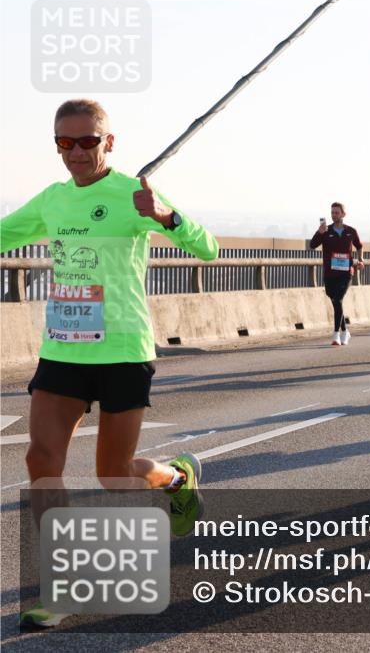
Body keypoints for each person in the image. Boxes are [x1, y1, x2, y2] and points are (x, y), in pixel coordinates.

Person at [1, 99, 219, 628]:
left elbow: (208, 249)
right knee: (39, 460)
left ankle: (174, 479)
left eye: (87, 142)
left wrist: (165, 216)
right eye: (64, 143)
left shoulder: (132, 195)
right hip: (63, 350)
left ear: (109, 142)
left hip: (122, 350)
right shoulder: (52, 200)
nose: (75, 152)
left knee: (113, 474)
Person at [310, 202, 364, 346]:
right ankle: (345, 331)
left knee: (338, 300)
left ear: (343, 214)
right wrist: (319, 233)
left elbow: (359, 246)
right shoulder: (325, 231)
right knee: (334, 300)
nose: (334, 215)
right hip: (330, 273)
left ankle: (336, 334)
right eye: (332, 212)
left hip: (346, 272)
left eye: (337, 212)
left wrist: (360, 259)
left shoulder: (351, 231)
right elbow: (312, 245)